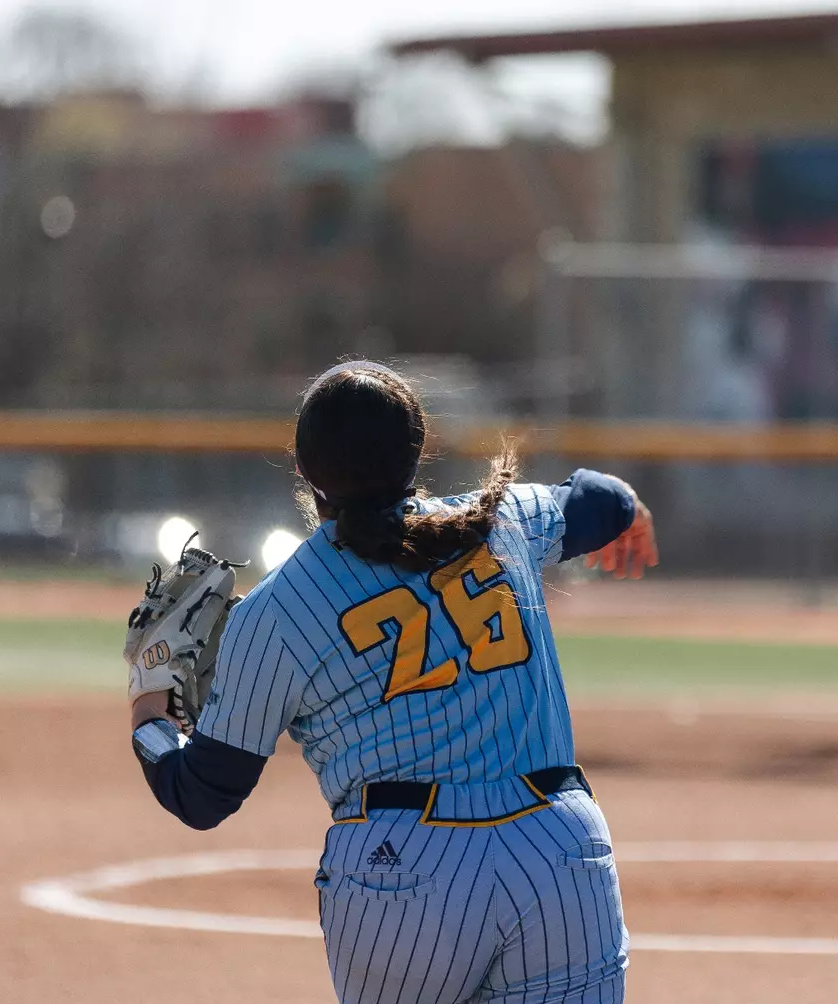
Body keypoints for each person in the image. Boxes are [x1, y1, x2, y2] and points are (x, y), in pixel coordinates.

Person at [128, 361, 656, 1004]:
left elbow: (202, 796)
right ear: (418, 450)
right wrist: (631, 511)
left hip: (402, 874)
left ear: (303, 468)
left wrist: (148, 706)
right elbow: (599, 501)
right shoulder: (501, 519)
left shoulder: (277, 611)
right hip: (560, 853)